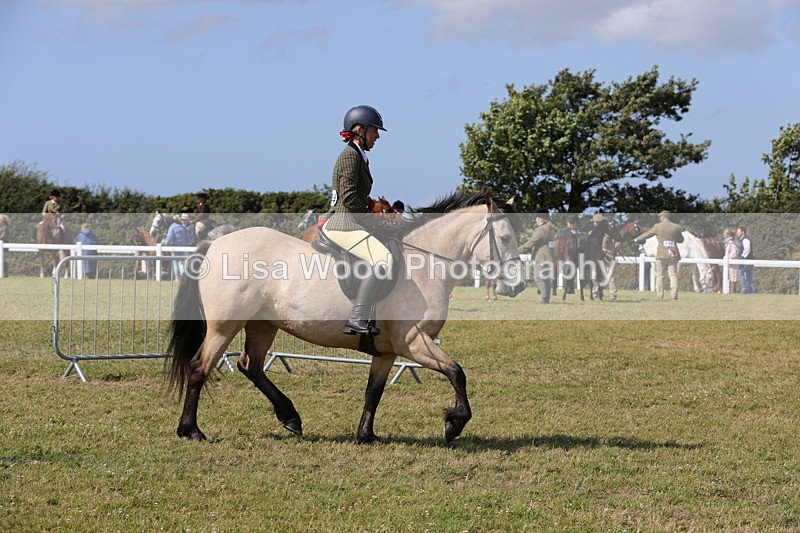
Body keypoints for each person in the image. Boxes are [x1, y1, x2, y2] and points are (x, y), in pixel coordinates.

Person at [320, 105, 393, 335]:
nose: (378, 136)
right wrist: (374, 221)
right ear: (360, 130)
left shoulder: (358, 155)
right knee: (383, 259)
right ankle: (357, 316)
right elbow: (350, 197)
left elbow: (358, 195)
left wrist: (371, 206)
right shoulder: (350, 155)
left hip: (352, 220)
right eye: (374, 131)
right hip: (344, 223)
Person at [634, 210, 684, 300]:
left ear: (663, 217)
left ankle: (660, 295)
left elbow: (647, 234)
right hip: (673, 253)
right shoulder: (676, 227)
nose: (660, 218)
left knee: (660, 276)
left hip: (661, 253)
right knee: (673, 275)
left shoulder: (657, 226)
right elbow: (681, 240)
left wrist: (636, 239)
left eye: (660, 217)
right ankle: (674, 295)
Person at [520, 208, 555, 304]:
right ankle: (546, 298)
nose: (536, 219)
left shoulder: (541, 229)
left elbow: (531, 242)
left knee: (538, 277)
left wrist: (518, 250)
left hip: (541, 257)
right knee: (546, 278)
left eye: (536, 217)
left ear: (540, 218)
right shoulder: (550, 228)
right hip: (549, 256)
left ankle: (544, 298)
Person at [164, 214, 190, 280]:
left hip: (175, 247)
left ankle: (177, 278)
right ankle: (183, 278)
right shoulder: (184, 228)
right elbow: (188, 238)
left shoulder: (172, 227)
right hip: (183, 247)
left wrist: (166, 244)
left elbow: (169, 238)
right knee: (181, 263)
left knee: (175, 263)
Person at [599, 220, 620, 301]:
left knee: (610, 276)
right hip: (599, 256)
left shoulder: (612, 233)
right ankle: (597, 294)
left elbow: (618, 241)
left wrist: (615, 248)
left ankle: (613, 294)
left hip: (608, 256)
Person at [736, 226, 755, 294]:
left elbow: (747, 249)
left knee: (741, 274)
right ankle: (752, 290)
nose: (737, 233)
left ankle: (744, 289)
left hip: (746, 260)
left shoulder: (745, 240)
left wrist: (742, 257)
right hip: (748, 260)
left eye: (738, 231)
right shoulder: (742, 240)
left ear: (743, 232)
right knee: (748, 275)